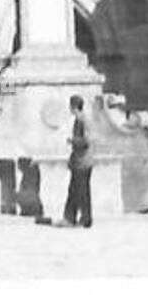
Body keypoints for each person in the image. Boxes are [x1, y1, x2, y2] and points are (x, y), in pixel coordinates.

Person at [63, 94, 94, 228]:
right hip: (78, 161)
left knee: (82, 192)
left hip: (83, 161)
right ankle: (71, 217)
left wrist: (72, 140)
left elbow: (86, 140)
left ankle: (85, 219)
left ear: (74, 107)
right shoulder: (79, 120)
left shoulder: (83, 120)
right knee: (74, 190)